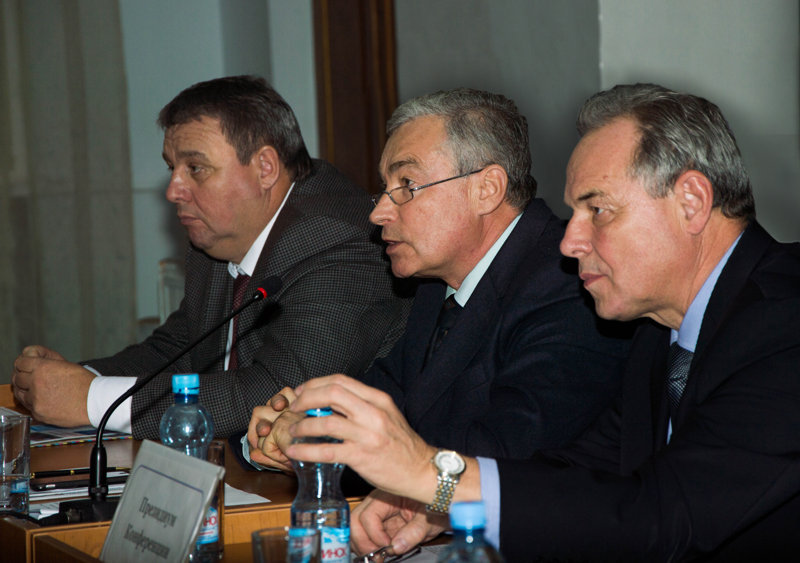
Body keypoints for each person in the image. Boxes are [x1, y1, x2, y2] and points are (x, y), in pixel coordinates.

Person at [280, 83, 800, 561]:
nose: (570, 242)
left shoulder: (785, 320)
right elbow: (584, 469)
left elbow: (660, 517)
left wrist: (431, 476)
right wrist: (438, 502)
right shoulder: (659, 331)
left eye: (598, 210)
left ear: (692, 202)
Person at [245, 88, 630, 472]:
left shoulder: (569, 286)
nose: (378, 213)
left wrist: (335, 446)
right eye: (384, 188)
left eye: (406, 185)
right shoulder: (436, 288)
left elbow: (500, 459)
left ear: (486, 189)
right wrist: (298, 426)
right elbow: (387, 401)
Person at [11, 75, 410, 440]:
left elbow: (280, 393)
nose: (173, 190)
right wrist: (75, 379)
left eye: (195, 168)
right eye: (172, 168)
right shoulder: (220, 236)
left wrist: (91, 399)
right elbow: (179, 349)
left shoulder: (340, 242)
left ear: (265, 168)